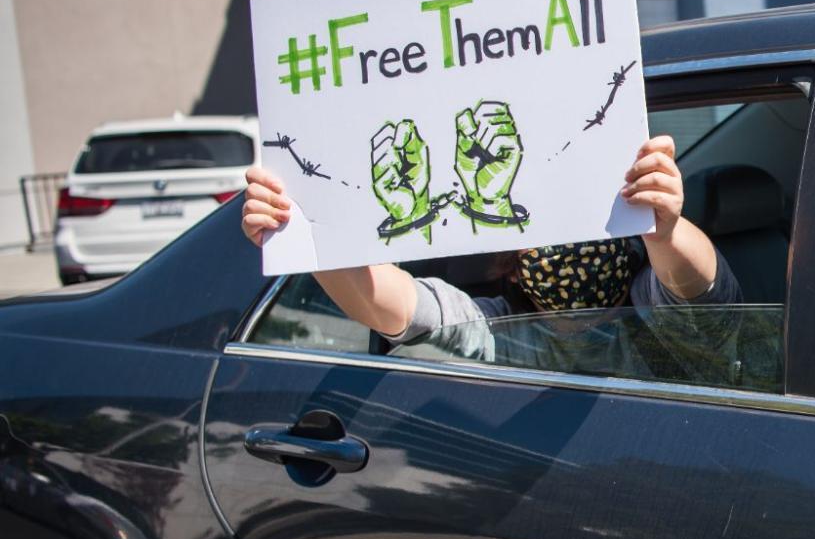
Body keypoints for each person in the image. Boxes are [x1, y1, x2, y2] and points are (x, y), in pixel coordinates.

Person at [241, 133, 742, 369]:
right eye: (539, 224)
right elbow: (392, 306)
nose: (564, 243)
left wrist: (664, 227)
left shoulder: (650, 306)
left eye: (580, 217)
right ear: (512, 257)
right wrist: (309, 230)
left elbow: (697, 289)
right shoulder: (504, 331)